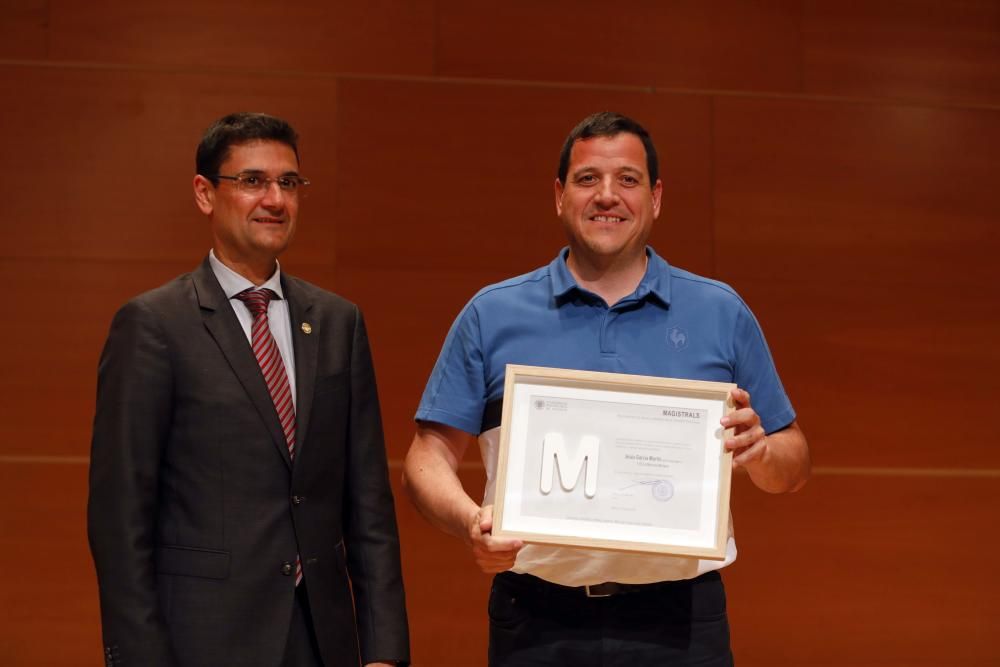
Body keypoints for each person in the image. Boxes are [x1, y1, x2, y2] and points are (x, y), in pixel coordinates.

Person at [402, 111, 810, 666]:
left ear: (656, 197)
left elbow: (794, 462)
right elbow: (427, 456)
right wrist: (470, 520)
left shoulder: (720, 311)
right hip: (535, 620)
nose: (607, 196)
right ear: (559, 195)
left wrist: (762, 451)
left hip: (682, 622)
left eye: (628, 179)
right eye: (588, 179)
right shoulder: (492, 314)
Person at [88, 112, 410, 667]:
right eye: (253, 181)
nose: (275, 200)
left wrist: (383, 650)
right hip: (201, 640)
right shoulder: (154, 324)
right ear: (205, 194)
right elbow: (120, 519)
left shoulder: (337, 322)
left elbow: (368, 505)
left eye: (289, 183)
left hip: (321, 639)